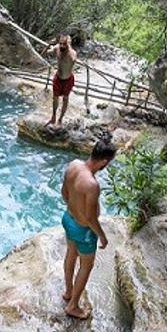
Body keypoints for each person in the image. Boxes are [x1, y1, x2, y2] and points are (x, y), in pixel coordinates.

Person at [61, 135, 116, 320]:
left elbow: (64, 193)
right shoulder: (92, 185)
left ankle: (68, 292)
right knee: (86, 265)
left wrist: (74, 209)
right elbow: (91, 217)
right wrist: (102, 236)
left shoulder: (73, 165)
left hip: (67, 218)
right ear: (104, 161)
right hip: (83, 229)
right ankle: (73, 306)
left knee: (71, 253)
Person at [43, 34, 78, 126]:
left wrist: (68, 45)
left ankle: (60, 119)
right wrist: (49, 44)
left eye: (64, 44)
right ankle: (53, 117)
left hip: (68, 79)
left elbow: (73, 59)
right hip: (58, 78)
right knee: (55, 98)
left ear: (68, 44)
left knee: (65, 99)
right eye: (61, 43)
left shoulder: (72, 53)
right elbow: (45, 53)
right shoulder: (57, 48)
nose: (62, 46)